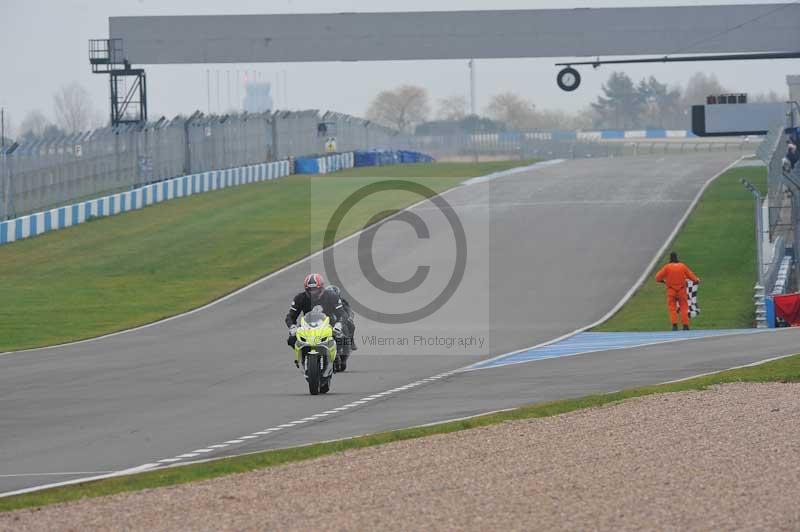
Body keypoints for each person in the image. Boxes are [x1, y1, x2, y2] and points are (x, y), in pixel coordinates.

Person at [285, 274, 346, 364]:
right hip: (307, 325)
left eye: (316, 289)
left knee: (342, 338)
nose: (313, 292)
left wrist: (339, 323)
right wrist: (292, 326)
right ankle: (303, 355)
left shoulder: (332, 296)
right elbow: (290, 316)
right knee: (291, 339)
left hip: (328, 325)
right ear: (306, 290)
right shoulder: (300, 298)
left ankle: (336, 355)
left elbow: (342, 313)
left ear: (321, 288)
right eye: (310, 290)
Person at [655, 252, 700, 331]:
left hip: (671, 290)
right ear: (677, 258)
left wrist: (663, 281)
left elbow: (657, 277)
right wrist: (696, 280)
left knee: (672, 308)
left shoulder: (667, 267)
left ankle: (674, 325)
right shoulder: (682, 266)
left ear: (670, 258)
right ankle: (685, 325)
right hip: (682, 290)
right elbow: (691, 276)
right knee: (684, 308)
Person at [325, 285, 357, 351]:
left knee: (351, 325)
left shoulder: (342, 301)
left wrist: (350, 317)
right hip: (327, 320)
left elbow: (349, 310)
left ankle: (351, 340)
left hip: (340, 319)